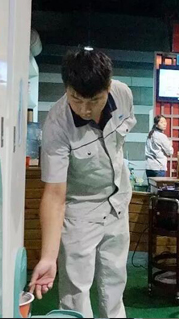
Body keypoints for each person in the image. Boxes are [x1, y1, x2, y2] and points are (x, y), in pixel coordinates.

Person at [29, 49, 136, 318]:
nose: (85, 109)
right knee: (76, 290)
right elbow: (54, 195)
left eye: (95, 100)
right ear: (66, 88)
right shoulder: (57, 124)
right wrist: (48, 257)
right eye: (76, 99)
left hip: (117, 202)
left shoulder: (123, 94)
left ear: (108, 88)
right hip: (80, 210)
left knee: (115, 280)